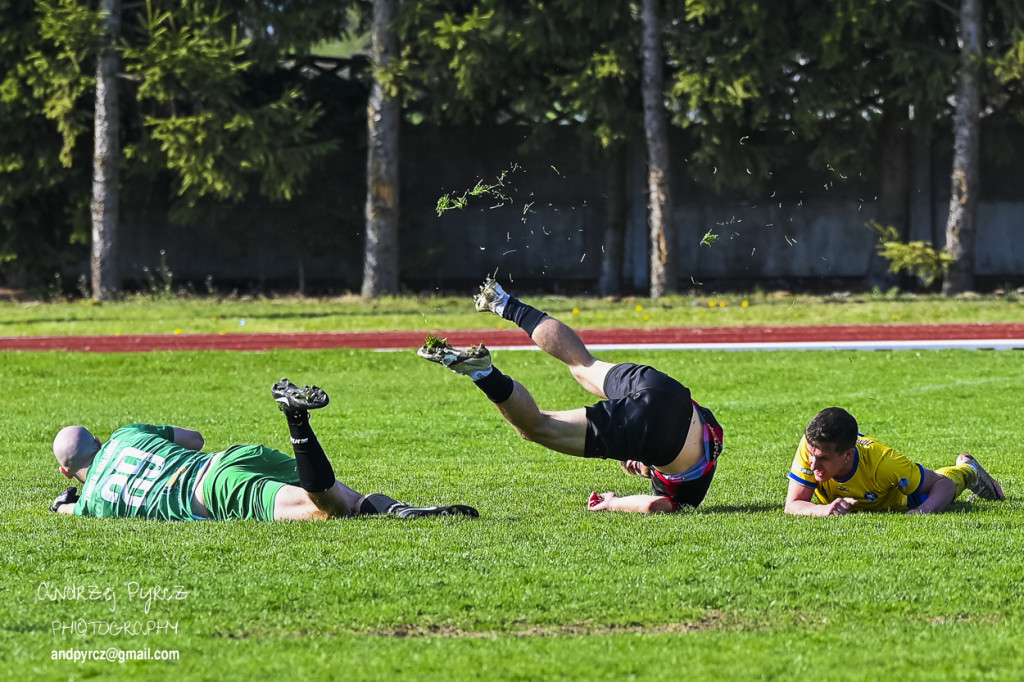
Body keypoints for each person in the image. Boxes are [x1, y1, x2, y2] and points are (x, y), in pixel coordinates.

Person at [417, 276, 723, 514]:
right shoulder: (686, 495)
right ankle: (482, 372)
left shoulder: (713, 436)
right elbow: (655, 506)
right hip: (653, 432)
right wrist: (612, 502)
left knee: (583, 364)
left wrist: (643, 460)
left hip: (665, 390)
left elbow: (690, 420)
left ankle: (504, 302)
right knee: (536, 427)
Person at [49, 378, 479, 521]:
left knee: (322, 510)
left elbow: (68, 510)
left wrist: (66, 504)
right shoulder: (126, 434)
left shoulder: (94, 502)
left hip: (213, 489)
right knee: (344, 501)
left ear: (68, 474)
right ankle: (397, 510)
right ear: (100, 441)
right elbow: (195, 439)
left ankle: (297, 422)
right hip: (227, 458)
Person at [785, 406, 1005, 516]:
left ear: (848, 455)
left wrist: (922, 512)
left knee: (935, 491)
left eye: (823, 459)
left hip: (903, 500)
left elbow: (943, 484)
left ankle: (967, 470)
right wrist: (823, 510)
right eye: (812, 455)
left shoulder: (885, 463)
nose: (812, 464)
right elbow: (793, 505)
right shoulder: (812, 445)